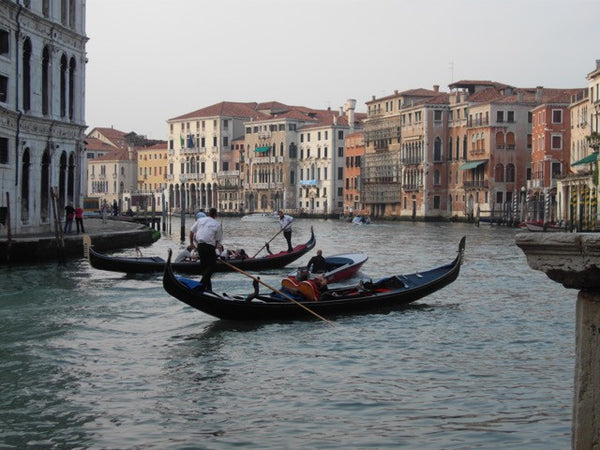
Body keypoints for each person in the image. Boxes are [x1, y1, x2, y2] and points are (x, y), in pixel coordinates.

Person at [189, 207, 222, 292]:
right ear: (216, 215)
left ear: (208, 213)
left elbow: (191, 232)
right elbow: (217, 241)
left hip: (200, 246)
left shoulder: (200, 220)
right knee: (212, 266)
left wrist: (191, 243)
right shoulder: (217, 224)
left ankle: (208, 289)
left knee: (205, 268)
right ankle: (201, 285)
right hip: (209, 246)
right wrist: (214, 250)